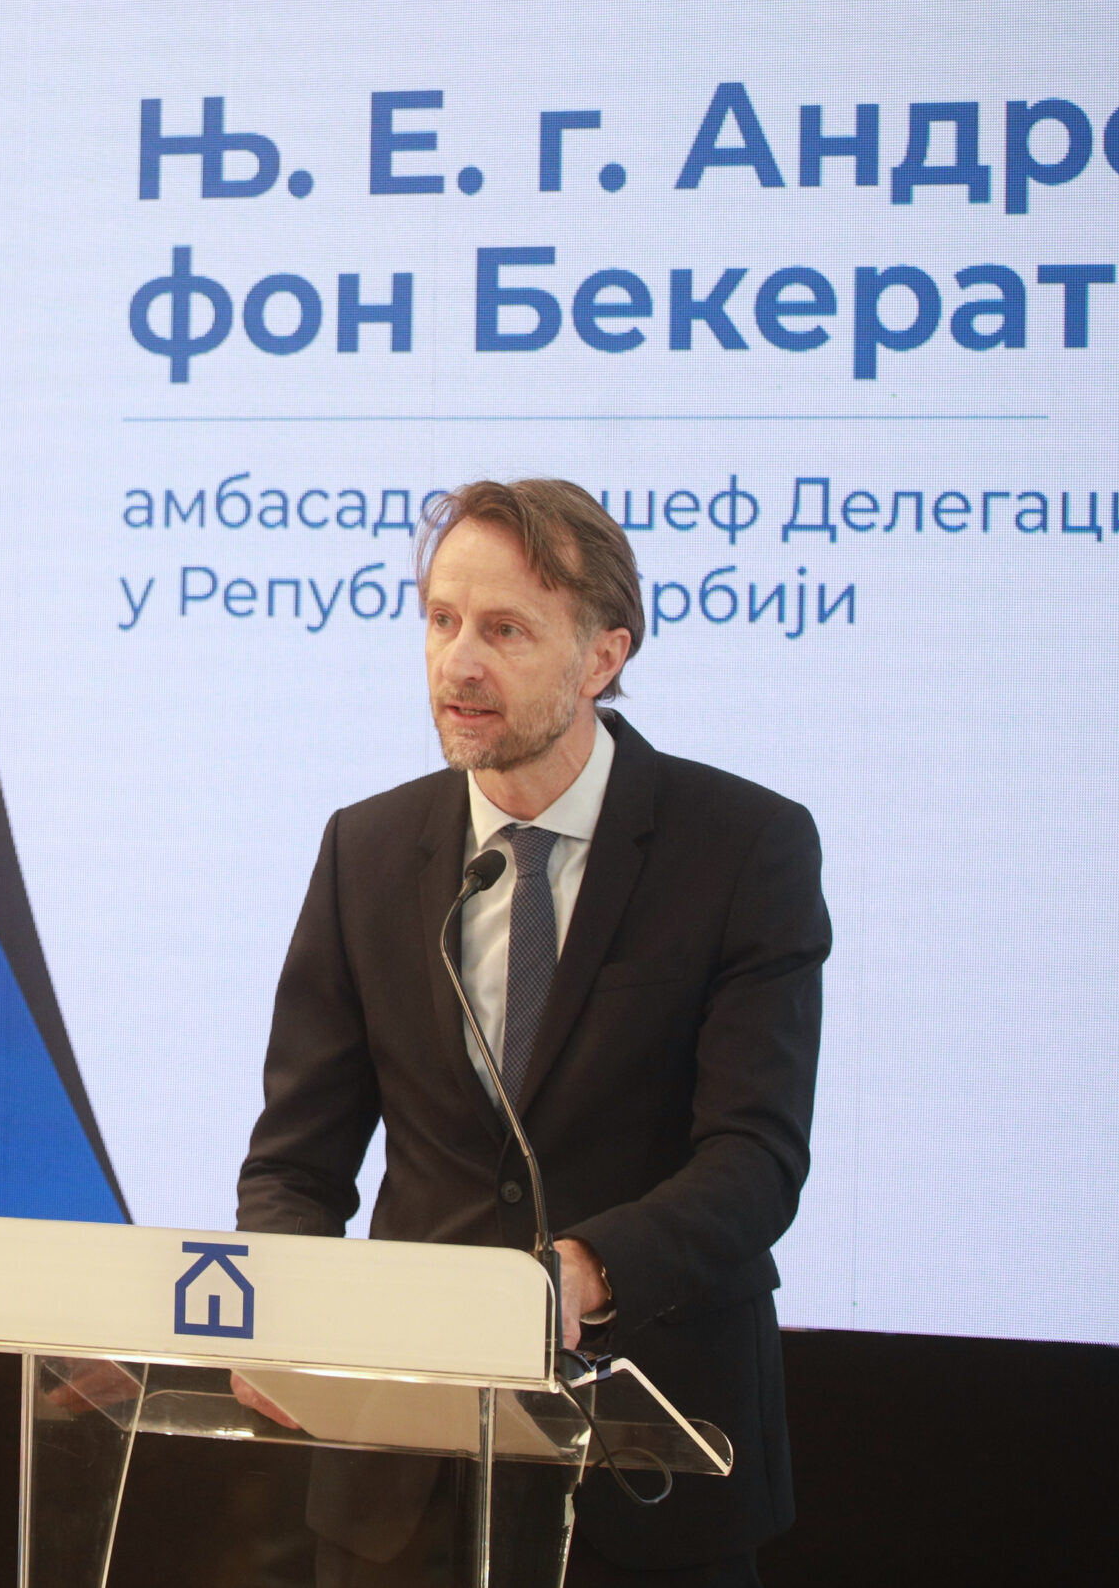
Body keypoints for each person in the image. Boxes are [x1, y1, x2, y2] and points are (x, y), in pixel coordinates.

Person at [237, 480, 829, 1587]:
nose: (458, 663)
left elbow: (755, 1160)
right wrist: (284, 1301)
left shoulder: (743, 848)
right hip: (400, 1481)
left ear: (602, 656)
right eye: (441, 620)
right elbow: (293, 1164)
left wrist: (581, 1273)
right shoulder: (367, 851)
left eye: (505, 630)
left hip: (648, 1473)